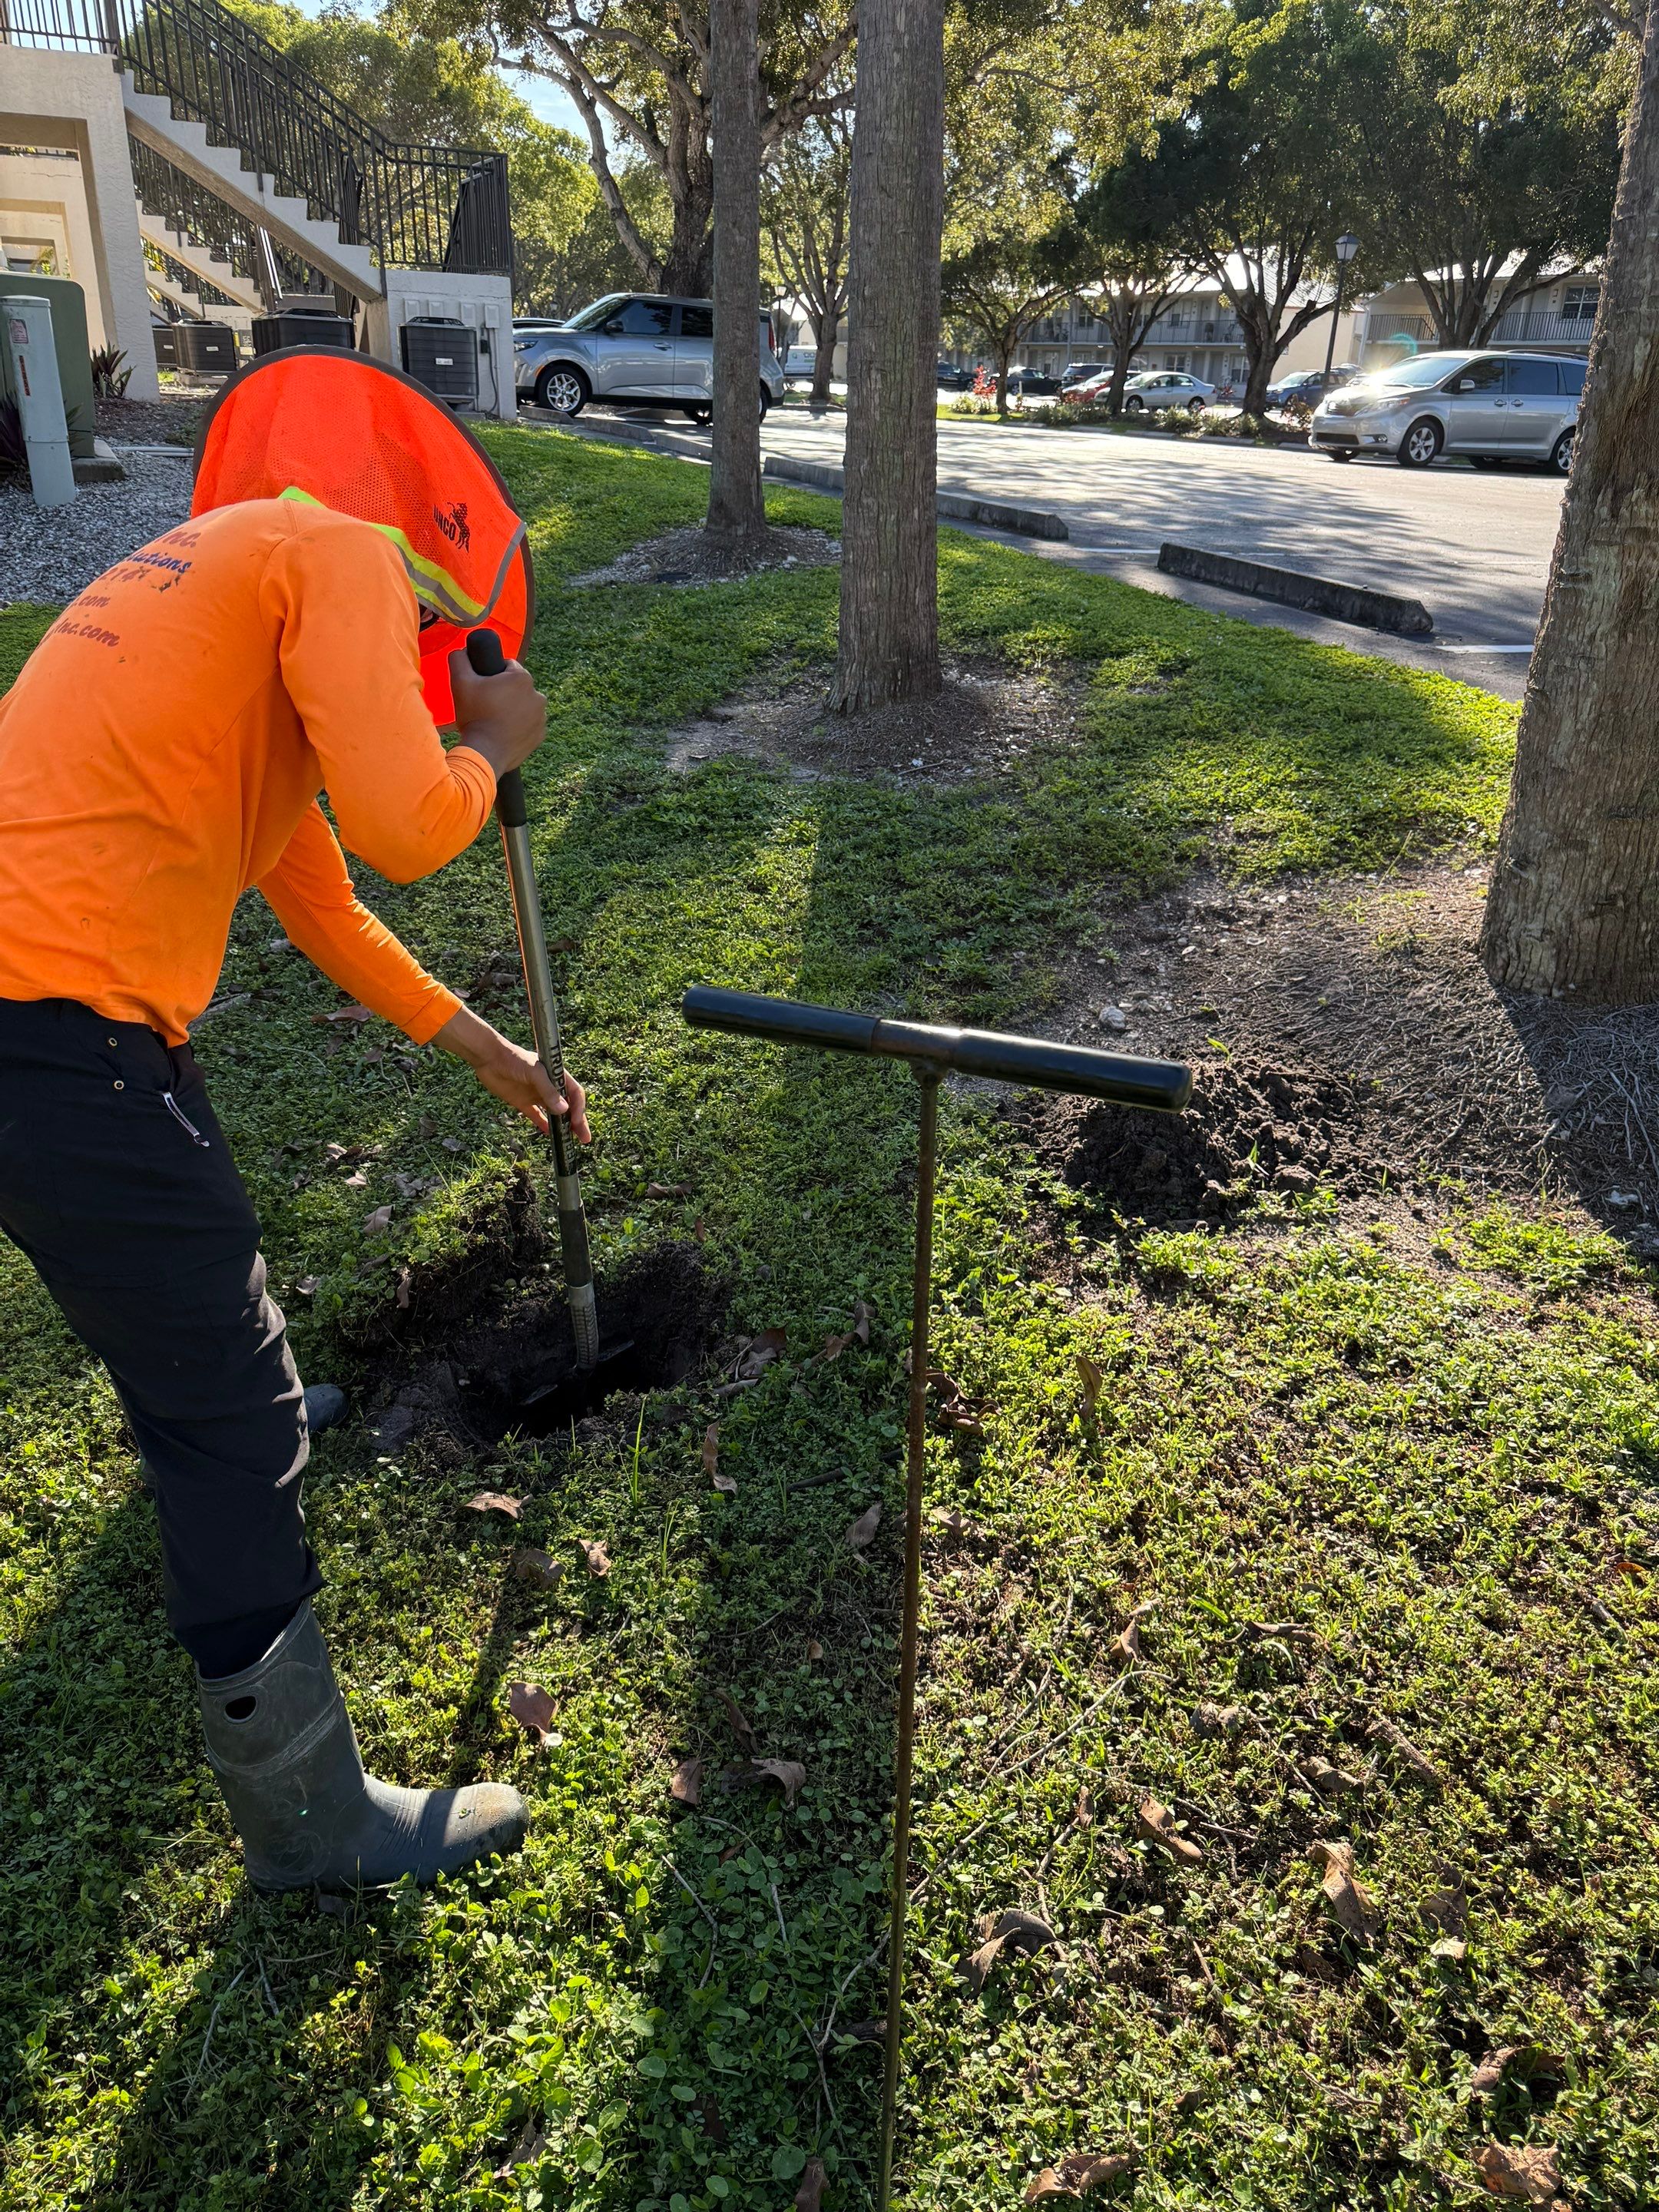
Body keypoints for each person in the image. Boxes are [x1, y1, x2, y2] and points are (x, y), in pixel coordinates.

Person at [0, 494, 588, 1894]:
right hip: (61, 1028)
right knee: (231, 1412)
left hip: (39, 1016)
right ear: (430, 616)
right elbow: (402, 825)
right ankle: (313, 1828)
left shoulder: (234, 582)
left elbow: (327, 897)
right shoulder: (345, 562)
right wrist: (487, 744)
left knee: (187, 1314)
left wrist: (494, 1055)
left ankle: (224, 1419)